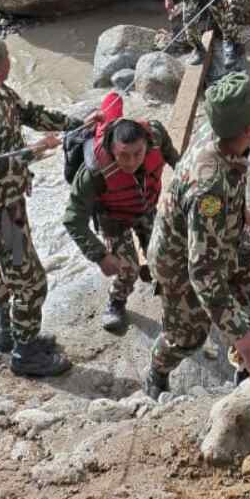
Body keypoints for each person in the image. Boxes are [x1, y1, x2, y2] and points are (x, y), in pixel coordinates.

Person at [0, 33, 92, 378]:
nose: (12, 61)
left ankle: (9, 334)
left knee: (5, 270)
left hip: (9, 204)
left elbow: (31, 114)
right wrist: (34, 151)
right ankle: (25, 354)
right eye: (7, 57)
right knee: (31, 281)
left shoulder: (0, 95)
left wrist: (77, 125)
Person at [145, 73, 250, 399]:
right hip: (180, 259)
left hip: (223, 232)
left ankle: (244, 374)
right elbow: (203, 271)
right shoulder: (211, 190)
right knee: (187, 336)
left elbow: (237, 167)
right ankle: (157, 373)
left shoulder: (223, 131)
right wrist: (238, 332)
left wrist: (242, 207)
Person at [62, 108, 179, 335]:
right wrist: (100, 255)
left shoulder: (156, 134)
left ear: (146, 144)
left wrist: (186, 176)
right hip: (113, 216)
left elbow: (172, 155)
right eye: (123, 155)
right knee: (128, 269)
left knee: (165, 256)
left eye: (138, 154)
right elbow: (72, 219)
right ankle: (116, 301)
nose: (131, 162)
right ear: (111, 149)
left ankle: (168, 295)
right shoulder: (93, 173)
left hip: (145, 207)